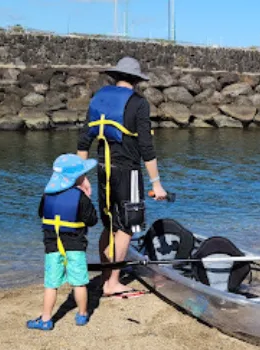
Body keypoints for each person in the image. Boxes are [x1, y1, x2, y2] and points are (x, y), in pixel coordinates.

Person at [77, 57, 168, 298]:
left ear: (116, 77)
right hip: (128, 171)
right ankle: (113, 283)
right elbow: (146, 147)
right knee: (127, 226)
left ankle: (107, 276)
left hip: (102, 169)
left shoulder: (99, 99)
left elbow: (83, 140)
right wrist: (156, 184)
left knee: (109, 224)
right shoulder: (139, 103)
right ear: (137, 80)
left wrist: (80, 177)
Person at [27, 154, 99, 330]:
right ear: (77, 178)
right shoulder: (80, 197)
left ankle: (45, 319)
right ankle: (82, 315)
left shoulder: (47, 195)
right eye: (83, 174)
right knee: (79, 283)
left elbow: (40, 214)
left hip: (52, 247)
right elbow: (92, 220)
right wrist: (88, 198)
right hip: (75, 246)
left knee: (51, 284)